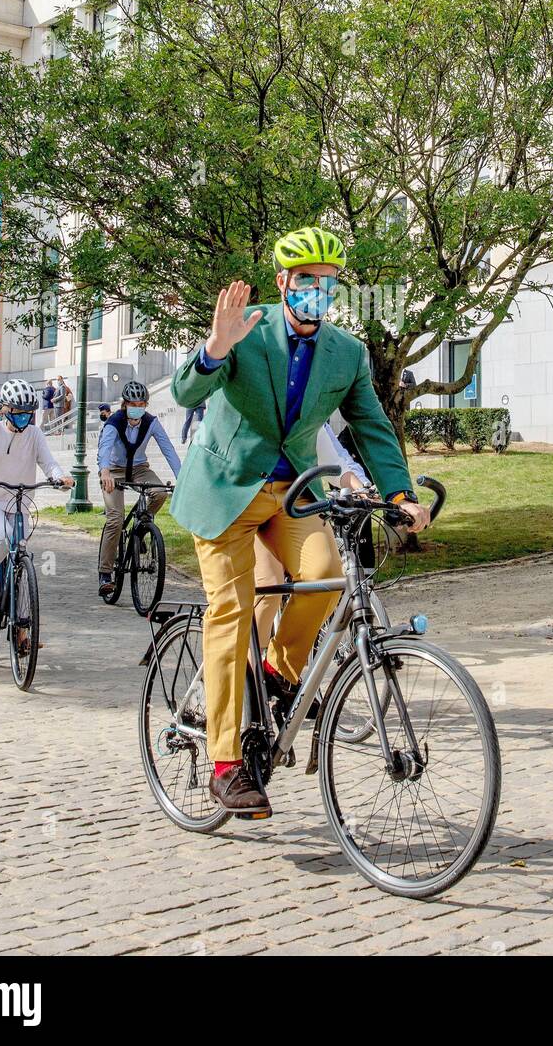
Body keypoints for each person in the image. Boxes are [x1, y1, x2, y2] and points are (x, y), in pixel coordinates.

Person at [170, 225, 431, 816]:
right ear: (283, 281)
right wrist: (214, 349)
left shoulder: (347, 353)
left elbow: (372, 427)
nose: (318, 289)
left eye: (328, 280)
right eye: (307, 278)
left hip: (292, 495)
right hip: (227, 493)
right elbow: (186, 393)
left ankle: (278, 674)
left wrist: (400, 494)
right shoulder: (247, 328)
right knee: (232, 611)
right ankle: (225, 764)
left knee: (328, 576)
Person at [0, 380, 72, 642]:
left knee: (22, 560)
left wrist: (60, 477)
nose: (24, 417)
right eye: (19, 412)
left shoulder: (34, 434)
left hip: (20, 504)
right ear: (6, 409)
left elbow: (49, 463)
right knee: (5, 538)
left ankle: (22, 631)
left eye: (28, 413)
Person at [253, 419, 370, 652]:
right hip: (248, 499)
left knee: (326, 579)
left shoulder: (310, 413)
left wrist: (365, 490)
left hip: (293, 504)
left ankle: (278, 667)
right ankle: (244, 667)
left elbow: (336, 462)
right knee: (269, 585)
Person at [97, 380, 181, 596]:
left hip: (139, 469)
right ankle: (105, 573)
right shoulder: (114, 422)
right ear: (125, 404)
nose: (137, 407)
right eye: (133, 404)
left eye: (141, 404)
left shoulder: (151, 422)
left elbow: (168, 449)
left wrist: (181, 478)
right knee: (115, 519)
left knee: (160, 493)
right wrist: (104, 472)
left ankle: (142, 525)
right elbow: (105, 448)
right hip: (113, 471)